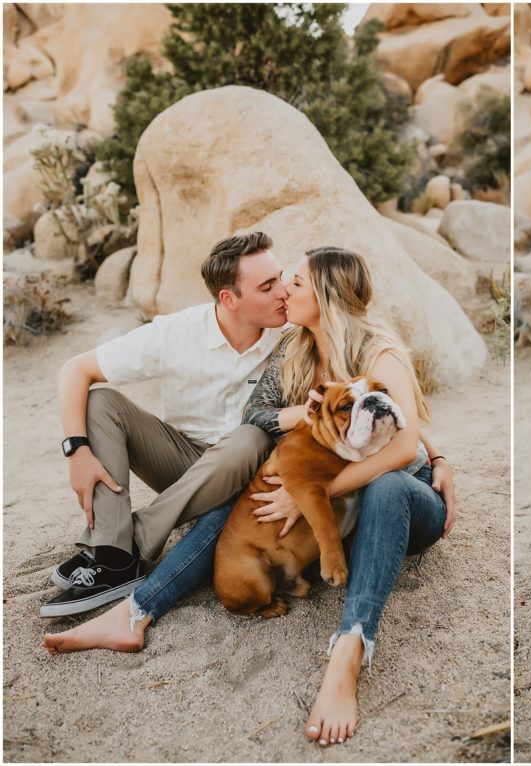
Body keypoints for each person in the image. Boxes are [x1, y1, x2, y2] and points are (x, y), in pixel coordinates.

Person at [45, 246, 457, 750]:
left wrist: (431, 462)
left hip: (406, 504)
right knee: (250, 492)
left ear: (325, 297)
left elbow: (402, 445)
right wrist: (298, 447)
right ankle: (136, 610)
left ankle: (349, 651)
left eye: (296, 284)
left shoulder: (380, 351)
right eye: (279, 283)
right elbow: (256, 416)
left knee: (387, 485)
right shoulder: (294, 349)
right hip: (338, 514)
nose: (286, 290)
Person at [40, 232, 288, 617]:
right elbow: (75, 369)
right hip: (183, 464)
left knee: (251, 437)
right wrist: (77, 450)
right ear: (229, 298)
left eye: (282, 278)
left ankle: (119, 549)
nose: (283, 292)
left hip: (252, 474)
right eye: (267, 286)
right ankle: (116, 558)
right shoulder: (177, 332)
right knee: (101, 401)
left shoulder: (291, 339)